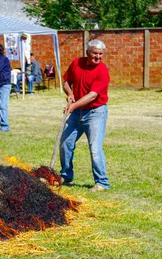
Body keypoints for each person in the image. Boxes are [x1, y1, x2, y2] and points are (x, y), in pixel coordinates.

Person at [60, 39, 110, 192]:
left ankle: (101, 182)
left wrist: (73, 105)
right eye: (95, 53)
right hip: (77, 113)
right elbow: (66, 81)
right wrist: (70, 94)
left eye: (101, 54)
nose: (98, 57)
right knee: (65, 143)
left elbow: (93, 95)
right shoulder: (76, 63)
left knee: (95, 148)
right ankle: (66, 175)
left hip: (95, 112)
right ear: (87, 52)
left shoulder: (102, 71)